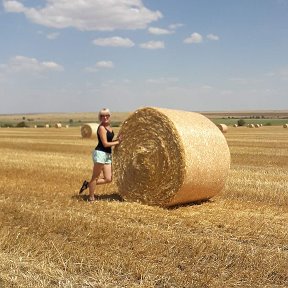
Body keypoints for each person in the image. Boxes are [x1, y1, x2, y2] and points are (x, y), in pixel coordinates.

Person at [79, 108, 122, 202]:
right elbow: (106, 144)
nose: (105, 117)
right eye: (102, 116)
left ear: (109, 116)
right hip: (100, 153)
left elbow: (111, 142)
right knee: (96, 176)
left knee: (108, 178)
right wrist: (117, 142)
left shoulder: (109, 127)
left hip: (107, 154)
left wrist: (118, 140)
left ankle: (87, 184)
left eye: (106, 115)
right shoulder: (102, 128)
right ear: (100, 117)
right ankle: (91, 198)